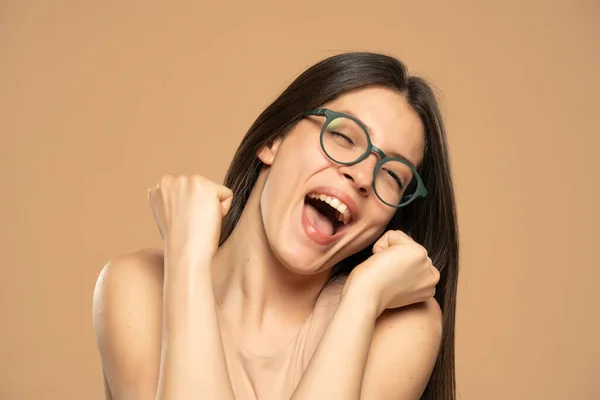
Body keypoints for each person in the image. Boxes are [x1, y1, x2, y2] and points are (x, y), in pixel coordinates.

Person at [92, 51, 459, 400]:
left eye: (393, 175)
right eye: (344, 137)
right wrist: (187, 257)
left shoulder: (403, 322)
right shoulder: (137, 285)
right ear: (274, 139)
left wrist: (362, 297)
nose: (364, 176)